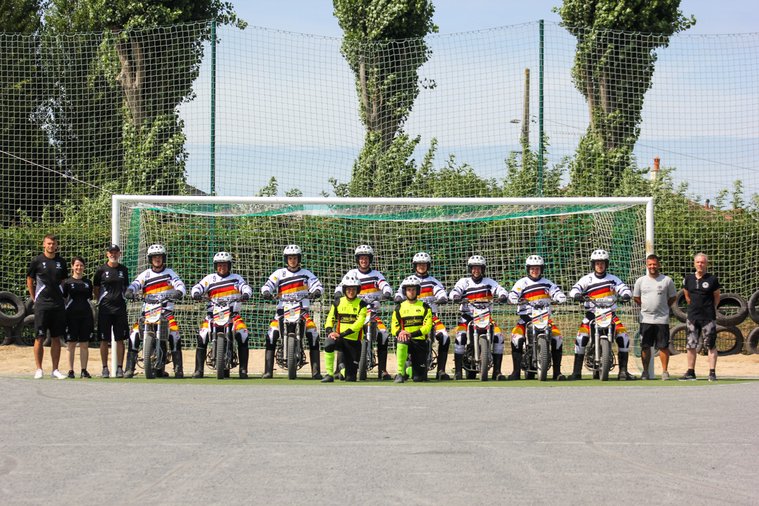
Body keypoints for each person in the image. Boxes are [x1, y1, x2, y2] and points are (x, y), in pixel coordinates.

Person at [568, 249, 635, 381]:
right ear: (593, 265)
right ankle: (576, 372)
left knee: (624, 337)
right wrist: (577, 295)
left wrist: (626, 294)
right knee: (581, 338)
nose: (600, 265)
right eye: (597, 263)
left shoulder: (613, 279)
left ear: (606, 264)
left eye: (602, 263)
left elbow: (624, 289)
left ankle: (623, 371)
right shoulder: (587, 279)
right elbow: (574, 289)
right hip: (591, 315)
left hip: (611, 314)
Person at [260, 245, 324, 379]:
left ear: (299, 259)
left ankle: (316, 371)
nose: (293, 261)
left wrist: (316, 291)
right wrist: (266, 292)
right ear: (286, 259)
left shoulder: (306, 274)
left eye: (295, 258)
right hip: (282, 312)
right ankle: (268, 371)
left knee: (313, 334)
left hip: (303, 312)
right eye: (290, 258)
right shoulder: (279, 273)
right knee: (271, 334)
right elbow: (268, 285)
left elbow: (317, 285)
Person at [125, 244, 187, 378]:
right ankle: (129, 368)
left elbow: (180, 286)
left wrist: (178, 292)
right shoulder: (145, 274)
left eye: (159, 257)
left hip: (166, 313)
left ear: (163, 258)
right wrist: (130, 291)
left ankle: (178, 369)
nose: (157, 259)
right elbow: (135, 285)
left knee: (174, 335)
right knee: (134, 334)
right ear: (150, 259)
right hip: (147, 313)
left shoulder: (170, 274)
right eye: (154, 257)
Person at [334, 244, 394, 380]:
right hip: (353, 316)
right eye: (361, 258)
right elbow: (340, 287)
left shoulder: (376, 275)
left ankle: (382, 370)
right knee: (342, 335)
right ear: (357, 259)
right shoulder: (351, 274)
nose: (364, 260)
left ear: (370, 259)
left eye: (366, 258)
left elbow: (385, 285)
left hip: (372, 314)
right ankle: (339, 368)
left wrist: (387, 292)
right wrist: (338, 293)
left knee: (383, 334)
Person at [190, 252, 253, 378]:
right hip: (212, 316)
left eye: (224, 265)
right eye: (219, 265)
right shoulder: (209, 279)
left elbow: (246, 287)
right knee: (202, 336)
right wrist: (196, 293)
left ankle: (243, 369)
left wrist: (246, 294)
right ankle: (198, 370)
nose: (222, 267)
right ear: (215, 266)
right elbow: (197, 287)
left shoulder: (236, 278)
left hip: (233, 316)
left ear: (229, 266)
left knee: (243, 335)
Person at [448, 255, 509, 380]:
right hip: (467, 317)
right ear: (470, 269)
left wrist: (502, 296)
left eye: (479, 268)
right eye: (474, 268)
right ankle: (458, 371)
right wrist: (455, 297)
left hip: (485, 316)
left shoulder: (489, 282)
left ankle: (497, 371)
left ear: (483, 269)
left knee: (498, 337)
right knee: (460, 337)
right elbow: (455, 291)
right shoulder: (463, 282)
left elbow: (500, 290)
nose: (476, 271)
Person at [507, 255, 567, 380]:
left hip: (544, 319)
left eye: (538, 268)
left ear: (542, 269)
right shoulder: (522, 283)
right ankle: (516, 372)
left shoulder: (547, 283)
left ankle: (557, 372)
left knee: (557, 337)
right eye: (532, 268)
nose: (535, 271)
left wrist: (560, 297)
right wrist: (514, 299)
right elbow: (513, 294)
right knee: (516, 338)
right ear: (528, 269)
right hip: (526, 319)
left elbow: (556, 292)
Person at [394, 252, 451, 380]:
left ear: (428, 266)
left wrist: (442, 297)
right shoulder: (408, 280)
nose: (421, 266)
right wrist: (398, 297)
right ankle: (402, 368)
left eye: (424, 264)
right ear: (415, 266)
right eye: (419, 264)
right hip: (412, 318)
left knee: (445, 337)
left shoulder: (433, 281)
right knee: (400, 335)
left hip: (432, 317)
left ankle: (441, 370)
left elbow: (440, 291)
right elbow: (400, 293)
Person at [26, 234, 68, 379]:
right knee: (39, 337)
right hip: (42, 305)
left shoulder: (61, 262)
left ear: (57, 245)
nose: (51, 246)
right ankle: (39, 369)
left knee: (56, 338)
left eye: (53, 244)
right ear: (44, 244)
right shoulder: (37, 261)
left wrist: (61, 296)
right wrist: (34, 299)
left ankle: (55, 370)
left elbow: (63, 281)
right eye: (49, 243)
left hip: (57, 305)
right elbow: (30, 280)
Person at [633, 254, 676, 380]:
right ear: (647, 265)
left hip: (662, 319)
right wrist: (646, 307)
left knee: (663, 346)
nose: (652, 266)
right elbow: (636, 297)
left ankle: (664, 372)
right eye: (650, 264)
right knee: (645, 346)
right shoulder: (640, 281)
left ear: (659, 265)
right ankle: (645, 372)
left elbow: (673, 297)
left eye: (654, 264)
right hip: (646, 319)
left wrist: (663, 307)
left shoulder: (667, 280)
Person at [681, 253, 721, 382]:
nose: (700, 264)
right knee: (691, 345)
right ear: (694, 263)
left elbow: (717, 297)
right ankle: (691, 372)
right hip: (692, 317)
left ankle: (712, 372)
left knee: (710, 344)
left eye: (703, 262)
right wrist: (694, 306)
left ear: (706, 264)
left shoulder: (712, 279)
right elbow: (687, 295)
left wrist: (710, 308)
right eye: (698, 262)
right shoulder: (688, 279)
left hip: (708, 317)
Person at [321, 274, 369, 382]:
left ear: (357, 290)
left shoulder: (362, 305)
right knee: (329, 343)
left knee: (350, 378)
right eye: (348, 289)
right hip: (340, 340)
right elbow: (330, 319)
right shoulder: (338, 302)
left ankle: (342, 369)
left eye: (353, 289)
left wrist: (341, 334)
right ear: (344, 289)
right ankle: (329, 374)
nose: (351, 291)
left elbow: (358, 324)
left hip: (354, 343)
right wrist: (330, 332)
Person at [93, 244, 130, 378]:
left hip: (120, 309)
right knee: (104, 340)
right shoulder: (100, 270)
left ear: (119, 254)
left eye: (116, 252)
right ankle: (104, 368)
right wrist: (102, 301)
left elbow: (126, 287)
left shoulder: (124, 270)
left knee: (120, 339)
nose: (113, 255)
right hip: (105, 310)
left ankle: (120, 368)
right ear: (107, 254)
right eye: (111, 252)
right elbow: (96, 289)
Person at [392, 275, 433, 383]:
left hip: (420, 343)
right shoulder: (399, 307)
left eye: (413, 289)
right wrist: (400, 332)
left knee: (418, 378)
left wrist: (411, 334)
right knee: (401, 338)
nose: (411, 292)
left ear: (418, 291)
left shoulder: (425, 307)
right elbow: (393, 327)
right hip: (406, 341)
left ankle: (409, 369)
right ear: (405, 291)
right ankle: (400, 373)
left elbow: (427, 327)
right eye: (409, 289)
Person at [63, 256, 94, 378]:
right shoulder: (67, 282)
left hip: (86, 316)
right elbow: (64, 298)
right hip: (71, 317)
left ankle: (84, 370)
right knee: (71, 344)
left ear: (84, 267)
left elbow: (90, 298)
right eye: (76, 265)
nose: (79, 267)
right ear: (72, 266)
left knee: (84, 344)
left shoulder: (88, 283)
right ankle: (70, 371)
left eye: (81, 265)